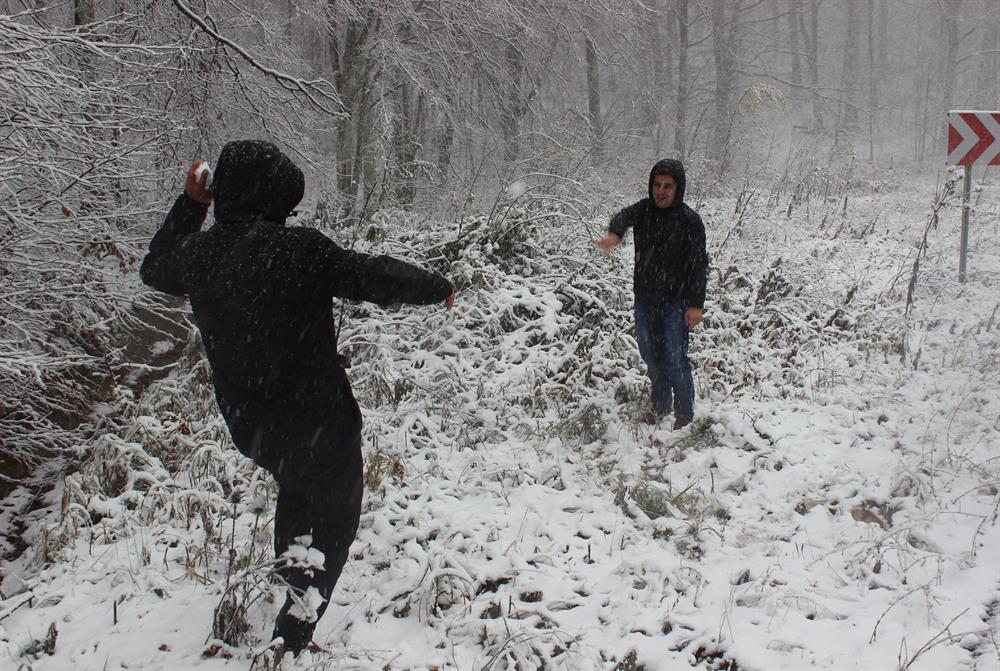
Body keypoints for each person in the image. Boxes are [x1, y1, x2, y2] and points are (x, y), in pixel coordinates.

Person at [140, 140, 455, 654]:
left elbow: (154, 267)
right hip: (320, 420)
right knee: (336, 513)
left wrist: (191, 206)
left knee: (297, 482)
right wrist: (434, 285)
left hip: (254, 426)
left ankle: (290, 578)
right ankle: (294, 631)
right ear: (272, 196)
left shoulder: (198, 256)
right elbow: (368, 274)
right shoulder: (298, 250)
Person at [596, 158, 708, 429]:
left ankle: (684, 415)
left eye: (668, 186)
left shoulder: (690, 221)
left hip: (676, 304)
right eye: (657, 184)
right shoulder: (644, 210)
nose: (661, 191)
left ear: (678, 188)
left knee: (674, 358)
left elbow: (698, 266)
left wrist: (696, 305)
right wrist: (615, 235)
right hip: (645, 300)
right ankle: (660, 407)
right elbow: (622, 217)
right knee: (650, 355)